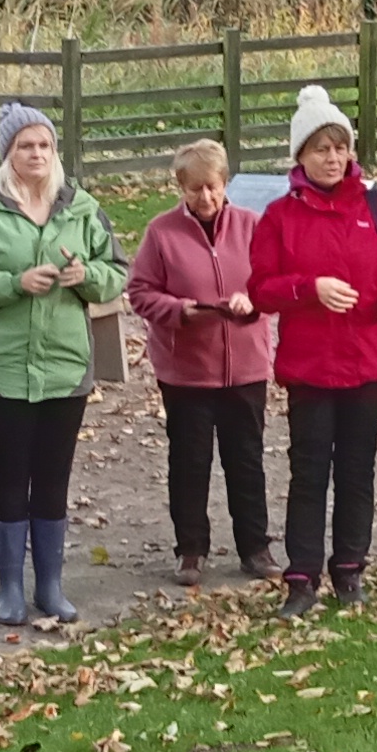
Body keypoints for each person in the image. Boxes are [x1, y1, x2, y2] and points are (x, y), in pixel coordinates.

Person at [253, 84, 377, 617]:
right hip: (310, 364)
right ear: (300, 157)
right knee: (309, 469)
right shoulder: (279, 217)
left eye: (340, 148)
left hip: (370, 360)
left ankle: (350, 567)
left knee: (358, 467)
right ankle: (302, 577)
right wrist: (308, 289)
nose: (333, 158)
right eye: (320, 149)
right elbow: (261, 288)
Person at [0, 102, 127, 633]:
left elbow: (116, 273)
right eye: (26, 146)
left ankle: (49, 585)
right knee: (9, 475)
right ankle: (9, 589)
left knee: (53, 477)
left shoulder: (84, 208)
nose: (37, 154)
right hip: (1, 369)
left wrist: (86, 276)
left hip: (65, 367)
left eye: (45, 145)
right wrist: (13, 284)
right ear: (8, 154)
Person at [126, 138, 273, 590]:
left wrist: (255, 301)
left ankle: (255, 547)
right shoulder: (161, 232)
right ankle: (191, 548)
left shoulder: (252, 226)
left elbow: (277, 282)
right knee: (190, 460)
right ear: (181, 188)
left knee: (246, 459)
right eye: (194, 189)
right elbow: (140, 292)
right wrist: (179, 310)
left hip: (245, 366)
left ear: (225, 183)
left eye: (212, 187)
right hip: (187, 369)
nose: (205, 198)